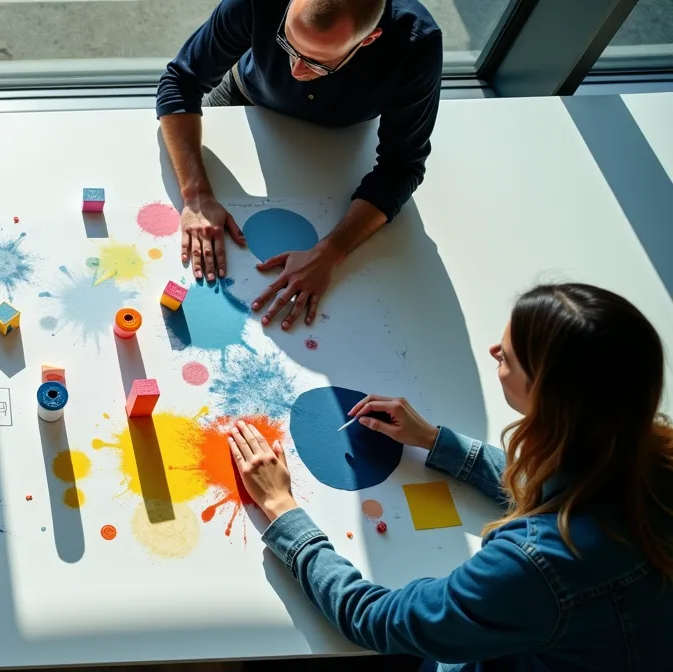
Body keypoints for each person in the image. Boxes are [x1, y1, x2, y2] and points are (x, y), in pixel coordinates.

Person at [228, 283, 673, 670]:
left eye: (508, 357)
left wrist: (282, 511)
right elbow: (557, 489)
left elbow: (375, 619)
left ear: (547, 398)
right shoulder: (643, 454)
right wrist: (434, 440)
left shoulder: (536, 565)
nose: (493, 351)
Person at [158, 0, 442, 330]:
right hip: (246, 98)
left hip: (339, 140)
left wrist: (331, 251)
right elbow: (180, 81)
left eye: (318, 64)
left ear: (368, 39)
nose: (295, 70)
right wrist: (195, 194)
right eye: (287, 44)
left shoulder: (416, 44)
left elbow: (401, 165)